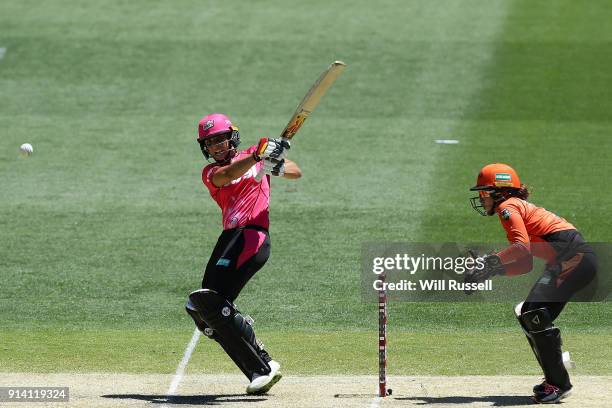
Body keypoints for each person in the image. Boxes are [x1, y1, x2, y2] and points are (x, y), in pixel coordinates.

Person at [185, 113, 301, 395]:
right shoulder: (211, 172)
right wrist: (257, 157)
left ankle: (261, 369)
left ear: (232, 137)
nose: (217, 146)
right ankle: (245, 334)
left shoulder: (255, 155)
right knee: (199, 306)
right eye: (210, 142)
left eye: (221, 139)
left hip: (252, 236)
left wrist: (274, 164)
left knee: (211, 304)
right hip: (230, 237)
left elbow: (296, 172)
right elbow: (228, 175)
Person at [465, 163, 596, 404]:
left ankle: (558, 383)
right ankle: (555, 377)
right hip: (574, 261)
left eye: (484, 193)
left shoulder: (507, 206)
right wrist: (492, 270)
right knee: (529, 313)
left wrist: (488, 261)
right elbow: (524, 262)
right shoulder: (515, 206)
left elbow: (520, 247)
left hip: (574, 259)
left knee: (533, 311)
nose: (481, 199)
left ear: (499, 191)